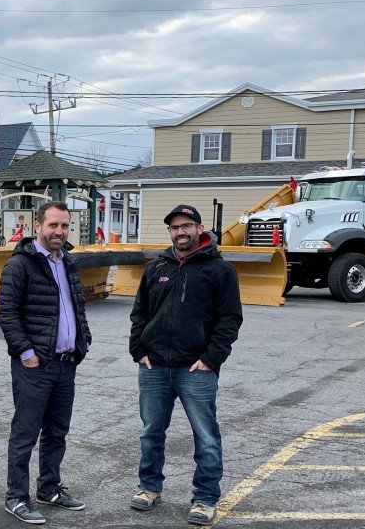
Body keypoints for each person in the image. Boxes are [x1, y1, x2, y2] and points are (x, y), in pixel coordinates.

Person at [128, 204, 242, 526]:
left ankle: (205, 497)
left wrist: (210, 359)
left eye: (187, 226)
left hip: (196, 369)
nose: (181, 232)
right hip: (154, 368)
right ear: (170, 232)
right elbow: (140, 313)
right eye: (175, 227)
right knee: (151, 432)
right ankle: (149, 487)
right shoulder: (156, 267)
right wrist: (138, 349)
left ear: (199, 228)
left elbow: (230, 320)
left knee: (206, 436)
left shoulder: (220, 270)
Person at [0, 200, 92, 525]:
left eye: (64, 226)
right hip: (35, 366)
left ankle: (49, 488)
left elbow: (77, 307)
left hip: (66, 363)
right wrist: (26, 352)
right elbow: (6, 313)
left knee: (57, 432)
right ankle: (16, 497)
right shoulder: (20, 264)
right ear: (38, 226)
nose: (59, 231)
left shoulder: (69, 262)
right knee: (25, 433)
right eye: (53, 225)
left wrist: (83, 342)